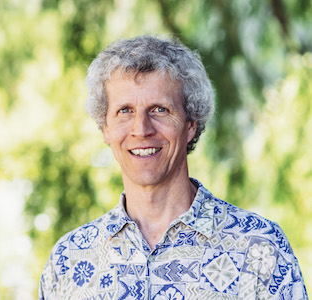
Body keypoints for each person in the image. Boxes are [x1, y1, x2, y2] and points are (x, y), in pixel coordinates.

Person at [39, 35, 308, 299]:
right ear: (105, 128)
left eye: (159, 110)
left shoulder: (259, 248)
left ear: (191, 123)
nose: (141, 129)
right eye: (125, 111)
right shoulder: (69, 260)